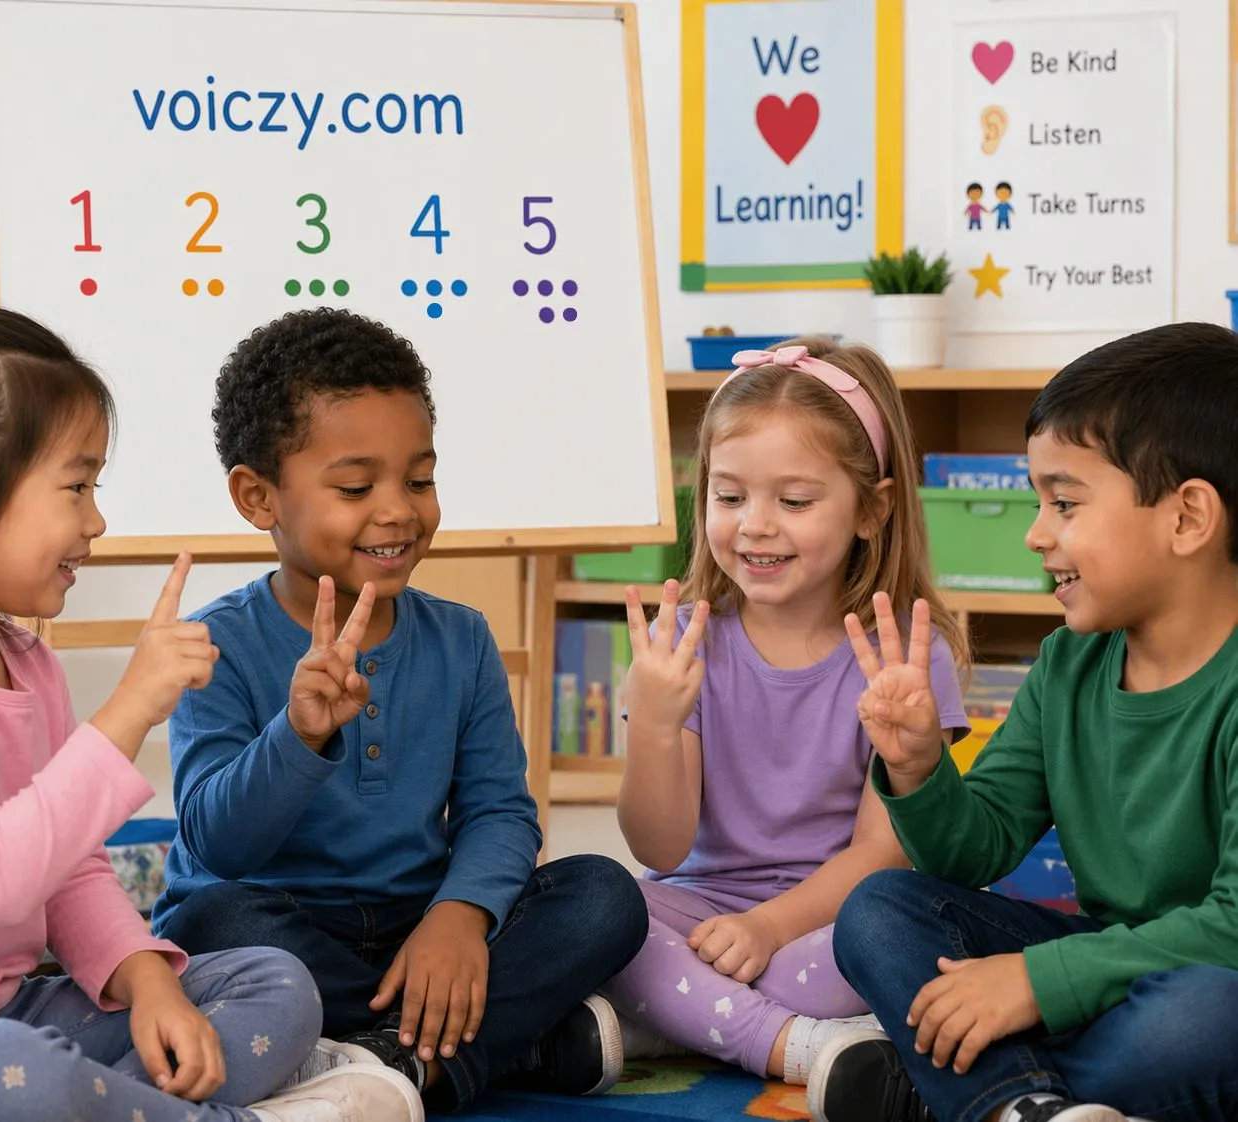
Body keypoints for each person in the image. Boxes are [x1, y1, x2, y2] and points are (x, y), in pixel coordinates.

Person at [0, 303, 421, 1121]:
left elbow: (68, 872)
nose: (96, 520)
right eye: (76, 487)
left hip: (12, 1011)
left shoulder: (26, 662)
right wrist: (129, 709)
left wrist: (150, 984)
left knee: (274, 984)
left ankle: (120, 1104)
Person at [151, 306, 649, 1113]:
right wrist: (298, 735)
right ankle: (478, 1045)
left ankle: (381, 1055)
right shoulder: (216, 644)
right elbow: (218, 843)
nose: (399, 511)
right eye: (356, 487)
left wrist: (458, 917)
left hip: (422, 920)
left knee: (605, 895)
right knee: (210, 922)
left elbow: (500, 813)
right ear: (257, 496)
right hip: (282, 928)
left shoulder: (463, 638)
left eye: (419, 480)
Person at [812, 322, 1238, 1122]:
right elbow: (975, 850)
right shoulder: (1067, 666)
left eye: (1065, 503)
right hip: (1099, 974)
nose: (1036, 534)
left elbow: (1233, 926)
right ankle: (1023, 1104)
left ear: (1187, 518)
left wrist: (1038, 985)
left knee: (1206, 1021)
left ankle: (955, 1088)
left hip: (1200, 981)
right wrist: (917, 768)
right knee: (879, 909)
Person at [602, 338, 969, 1085]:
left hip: (833, 918)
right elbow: (660, 848)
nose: (755, 525)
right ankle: (792, 1044)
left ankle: (682, 1019)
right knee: (594, 915)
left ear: (873, 509)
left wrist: (766, 928)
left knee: (898, 940)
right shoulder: (684, 643)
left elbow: (884, 852)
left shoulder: (907, 655)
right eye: (729, 497)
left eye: (794, 501)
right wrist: (656, 725)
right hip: (697, 909)